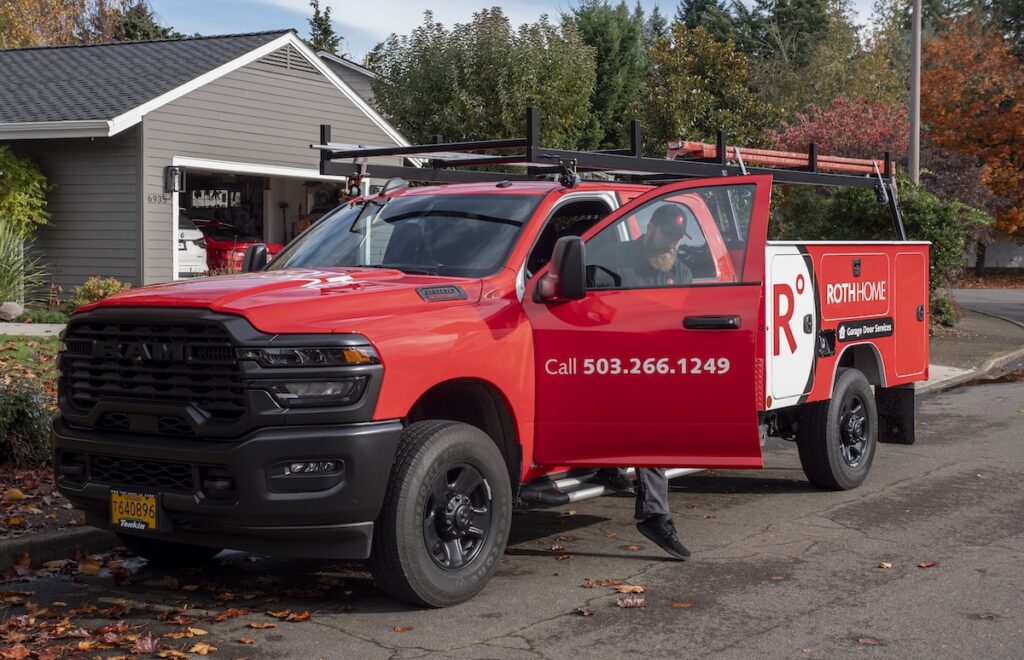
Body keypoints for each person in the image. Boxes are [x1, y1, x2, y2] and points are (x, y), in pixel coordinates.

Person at [592, 203, 696, 560]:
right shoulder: (613, 257)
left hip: (652, 368)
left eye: (678, 239)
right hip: (605, 361)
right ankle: (654, 513)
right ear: (651, 229)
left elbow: (683, 326)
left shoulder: (680, 271)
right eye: (668, 236)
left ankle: (613, 466)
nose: (672, 245)